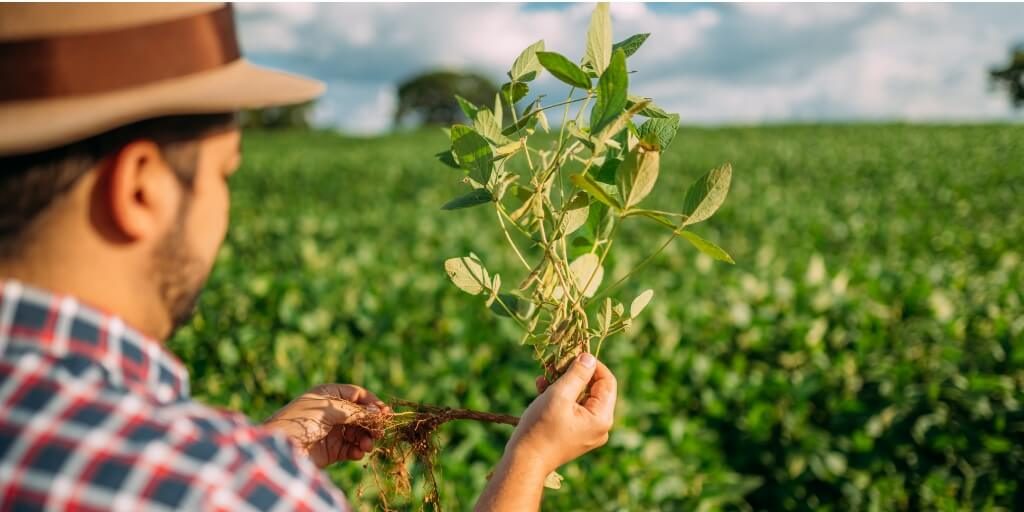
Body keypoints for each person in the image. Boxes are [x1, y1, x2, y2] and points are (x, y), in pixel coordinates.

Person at [0, 4, 617, 511]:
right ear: (141, 188)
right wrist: (530, 458)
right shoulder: (226, 488)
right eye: (224, 175)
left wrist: (273, 446)